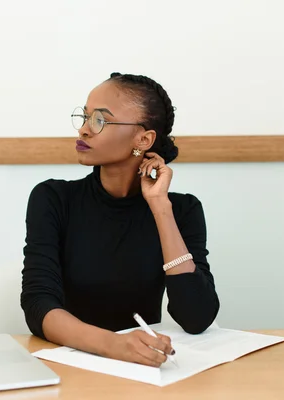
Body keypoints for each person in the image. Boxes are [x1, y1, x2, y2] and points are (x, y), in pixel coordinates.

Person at [20, 72, 220, 367]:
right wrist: (113, 345)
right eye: (85, 117)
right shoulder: (53, 199)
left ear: (143, 138)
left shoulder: (182, 210)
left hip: (143, 371)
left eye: (99, 120)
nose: (84, 130)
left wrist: (160, 209)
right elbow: (38, 306)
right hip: (69, 365)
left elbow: (197, 317)